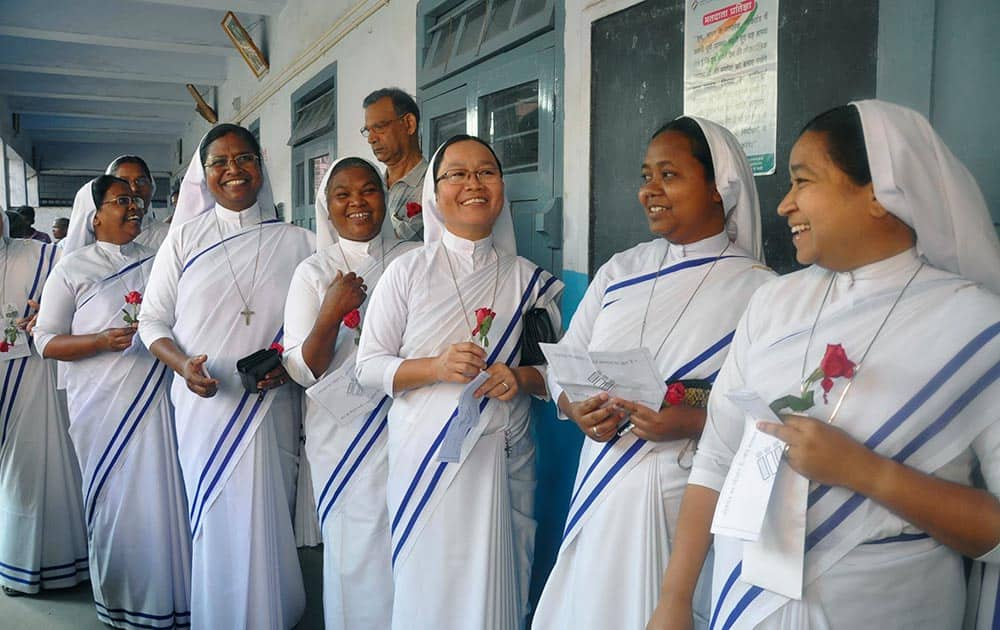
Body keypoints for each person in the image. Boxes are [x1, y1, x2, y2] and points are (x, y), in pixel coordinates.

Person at [648, 101, 1000, 630]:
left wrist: (867, 473)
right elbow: (718, 457)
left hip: (884, 606)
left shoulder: (974, 324)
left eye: (803, 181)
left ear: (881, 193)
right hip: (743, 596)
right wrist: (674, 600)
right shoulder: (773, 304)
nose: (785, 204)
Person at [533, 117, 774, 630]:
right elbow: (568, 364)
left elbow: (768, 412)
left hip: (683, 491)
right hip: (600, 474)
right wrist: (578, 409)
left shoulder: (760, 290)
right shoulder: (620, 270)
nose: (651, 191)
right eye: (646, 176)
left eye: (669, 175)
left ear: (717, 187)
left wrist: (688, 422)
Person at [356, 134, 564, 629]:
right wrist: (435, 367)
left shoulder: (528, 280)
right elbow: (367, 368)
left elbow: (558, 376)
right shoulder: (407, 272)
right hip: (424, 459)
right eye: (458, 174)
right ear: (435, 191)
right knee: (429, 586)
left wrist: (519, 377)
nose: (474, 184)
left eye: (487, 172)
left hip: (504, 457)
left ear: (501, 189)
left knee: (500, 582)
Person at [139, 123, 315, 629]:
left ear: (261, 165)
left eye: (244, 159)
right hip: (205, 406)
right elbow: (152, 320)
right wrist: (181, 364)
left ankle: (274, 612)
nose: (233, 170)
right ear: (204, 173)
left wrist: (290, 364)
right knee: (217, 516)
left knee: (268, 509)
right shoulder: (184, 240)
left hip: (271, 406)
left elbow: (320, 325)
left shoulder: (299, 241)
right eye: (220, 162)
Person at [34, 176, 191, 628]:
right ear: (95, 213)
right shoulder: (72, 268)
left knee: (163, 496)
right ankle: (122, 603)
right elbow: (45, 340)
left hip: (156, 397)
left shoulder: (159, 261)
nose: (135, 207)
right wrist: (100, 341)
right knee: (115, 500)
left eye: (138, 200)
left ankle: (173, 598)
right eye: (122, 201)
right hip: (101, 405)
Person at [284, 156, 419, 628]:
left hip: (408, 421)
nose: (358, 202)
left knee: (411, 540)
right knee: (356, 549)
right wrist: (330, 311)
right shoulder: (313, 272)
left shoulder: (414, 258)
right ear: (327, 206)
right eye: (343, 194)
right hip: (343, 434)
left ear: (385, 196)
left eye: (369, 190)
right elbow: (303, 369)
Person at [0, 209, 88, 597]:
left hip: (30, 377)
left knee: (32, 473)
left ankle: (31, 565)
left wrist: (51, 312)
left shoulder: (42, 256)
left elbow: (82, 279)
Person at [362, 88, 427, 241]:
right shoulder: (372, 187)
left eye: (379, 127)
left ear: (409, 124)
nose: (371, 139)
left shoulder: (435, 186)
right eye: (367, 130)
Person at [105, 155, 170, 249]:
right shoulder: (96, 235)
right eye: (123, 181)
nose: (134, 188)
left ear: (151, 188)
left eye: (141, 181)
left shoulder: (168, 235)